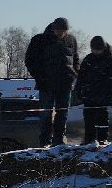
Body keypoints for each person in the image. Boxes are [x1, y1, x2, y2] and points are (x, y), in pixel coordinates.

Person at [28, 18, 79, 146]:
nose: (61, 34)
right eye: (59, 31)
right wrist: (40, 78)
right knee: (46, 113)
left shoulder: (71, 40)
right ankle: (45, 141)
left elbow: (75, 58)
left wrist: (74, 74)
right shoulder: (39, 40)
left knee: (63, 112)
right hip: (46, 83)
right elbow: (30, 60)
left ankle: (59, 140)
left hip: (65, 83)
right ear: (53, 28)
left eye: (63, 31)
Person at [76, 36, 112, 143]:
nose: (96, 51)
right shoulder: (88, 59)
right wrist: (79, 90)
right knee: (89, 119)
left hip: (103, 95)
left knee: (102, 118)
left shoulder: (111, 61)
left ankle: (102, 139)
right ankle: (89, 140)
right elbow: (81, 76)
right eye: (94, 49)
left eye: (98, 49)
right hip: (89, 95)